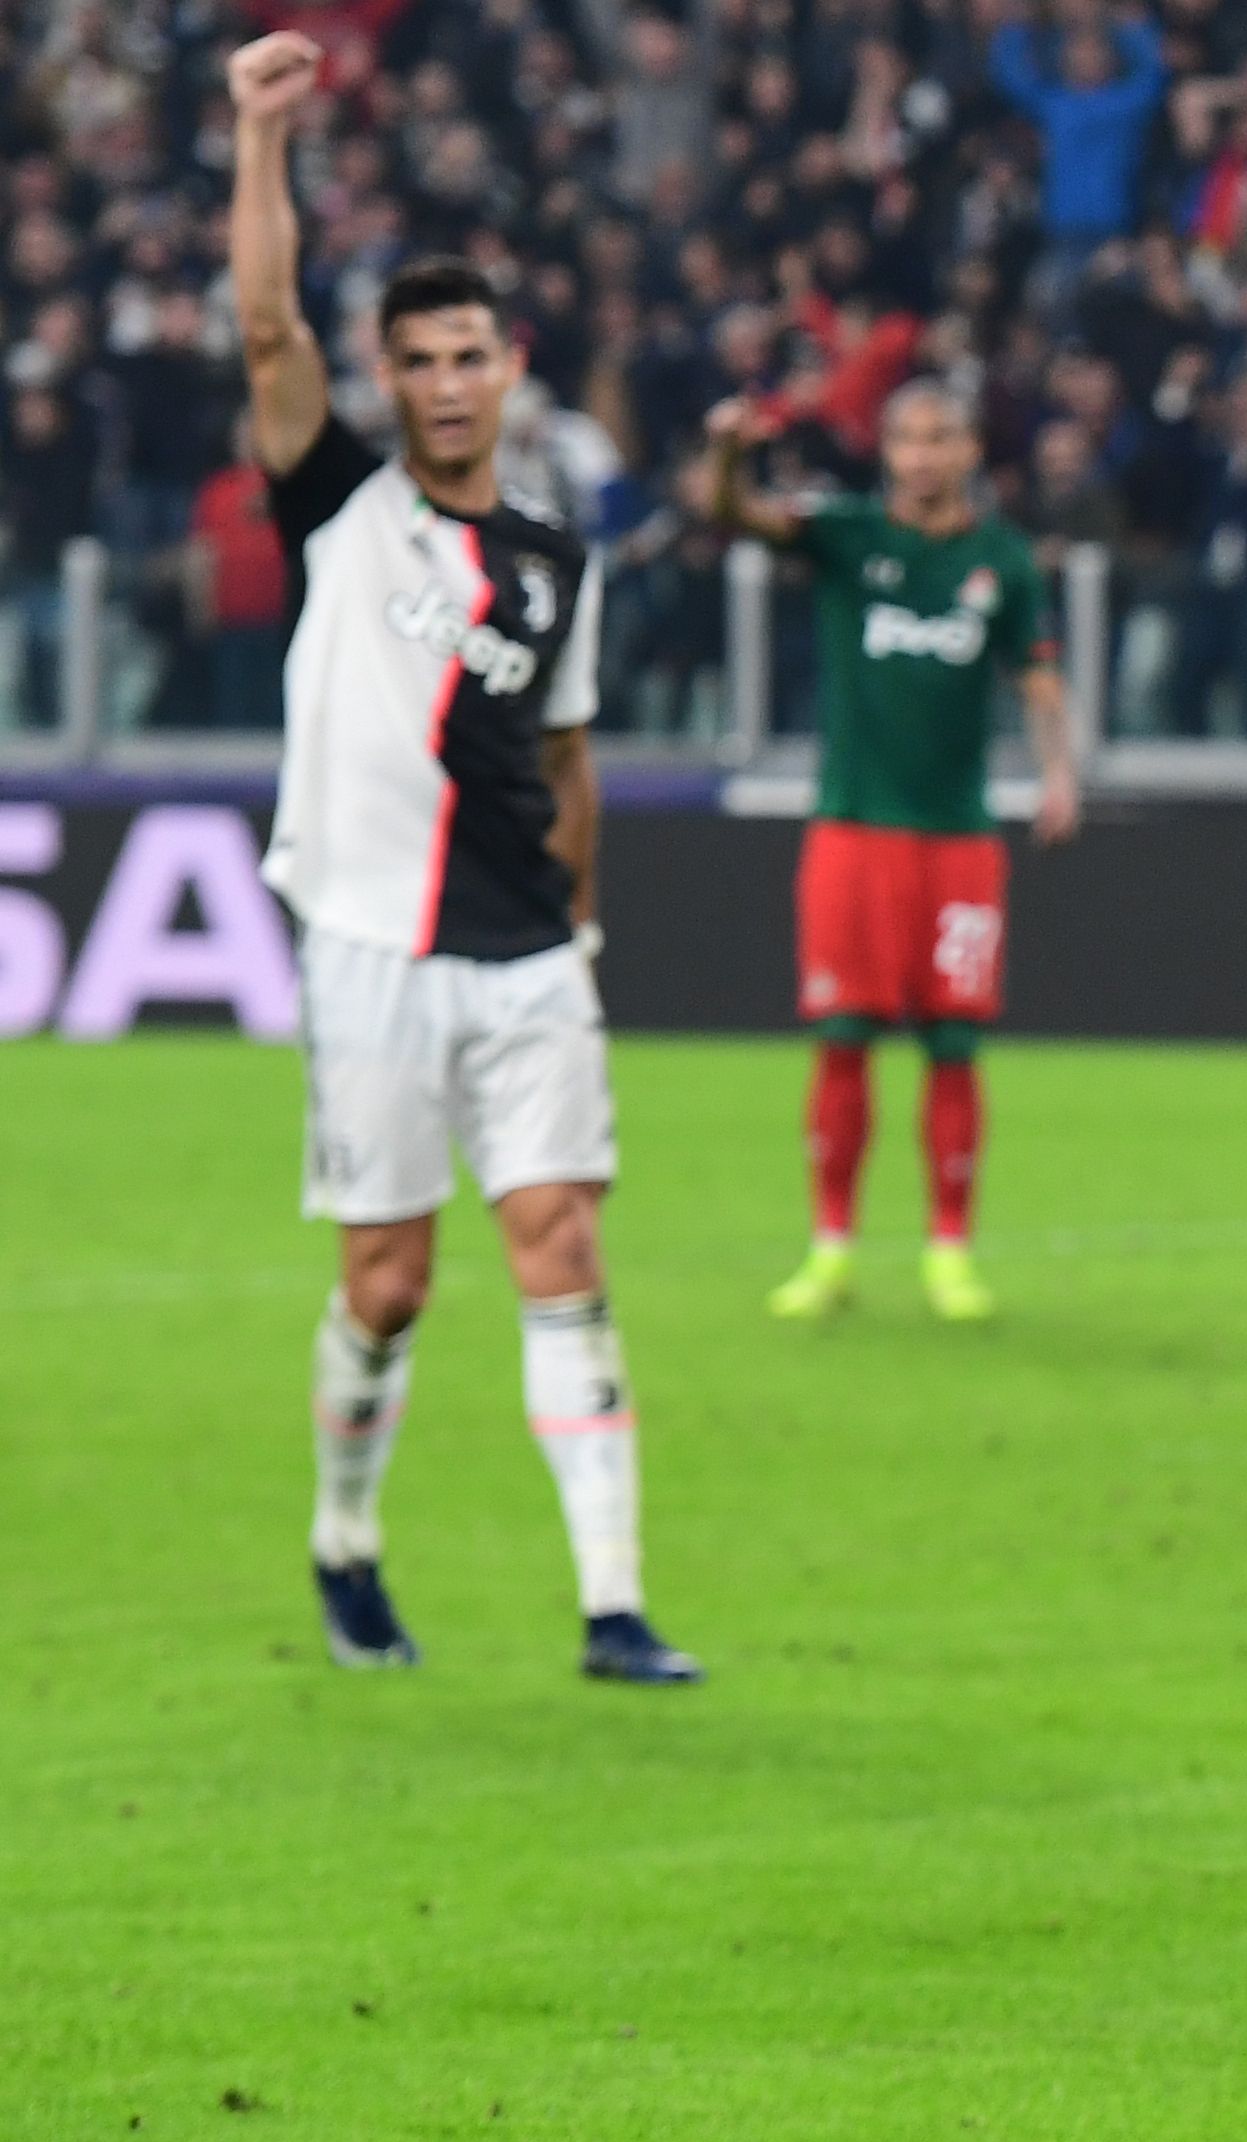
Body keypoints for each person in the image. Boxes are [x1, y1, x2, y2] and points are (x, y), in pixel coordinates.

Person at [227, 32, 695, 1685]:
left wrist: (578, 930)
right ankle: (345, 1536)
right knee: (391, 1278)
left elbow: (565, 757)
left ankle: (614, 1602)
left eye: (467, 355)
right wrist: (258, 138)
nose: (442, 381)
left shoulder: (556, 562)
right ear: (390, 377)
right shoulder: (340, 509)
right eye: (415, 358)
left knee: (562, 1243)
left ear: (510, 369)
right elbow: (268, 324)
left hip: (524, 957)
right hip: (368, 943)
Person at [705, 382, 1079, 1324]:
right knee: (843, 1038)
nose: (918, 456)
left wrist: (1060, 772)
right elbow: (733, 514)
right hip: (853, 830)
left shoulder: (1002, 562)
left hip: (958, 839)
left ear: (968, 451)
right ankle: (830, 1247)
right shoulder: (848, 534)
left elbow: (1036, 675)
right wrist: (727, 456)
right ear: (887, 451)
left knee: (954, 1043)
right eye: (904, 439)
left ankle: (949, 1250)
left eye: (938, 438)